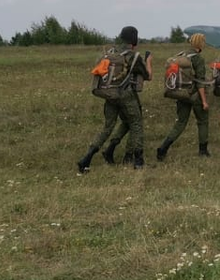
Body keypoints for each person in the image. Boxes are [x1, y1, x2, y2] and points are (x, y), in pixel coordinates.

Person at [78, 26, 152, 172]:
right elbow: (147, 76)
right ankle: (138, 160)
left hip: (109, 95)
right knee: (136, 123)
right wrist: (148, 61)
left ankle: (86, 159)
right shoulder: (133, 56)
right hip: (125, 95)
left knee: (108, 127)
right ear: (134, 40)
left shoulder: (110, 53)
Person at [156, 33, 211, 161]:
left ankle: (163, 147)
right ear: (201, 44)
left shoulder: (181, 55)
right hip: (195, 95)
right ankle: (203, 151)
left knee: (180, 122)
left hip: (181, 94)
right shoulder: (198, 59)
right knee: (203, 121)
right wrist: (204, 102)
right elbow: (200, 83)